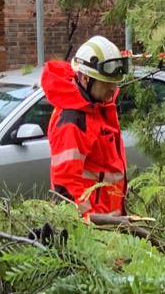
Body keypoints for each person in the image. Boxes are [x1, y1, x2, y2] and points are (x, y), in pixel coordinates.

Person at [41, 35, 130, 217]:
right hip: (95, 227)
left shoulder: (100, 108)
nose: (112, 89)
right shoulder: (73, 120)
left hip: (111, 220)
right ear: (85, 79)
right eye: (106, 83)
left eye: (114, 82)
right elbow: (65, 186)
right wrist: (90, 224)